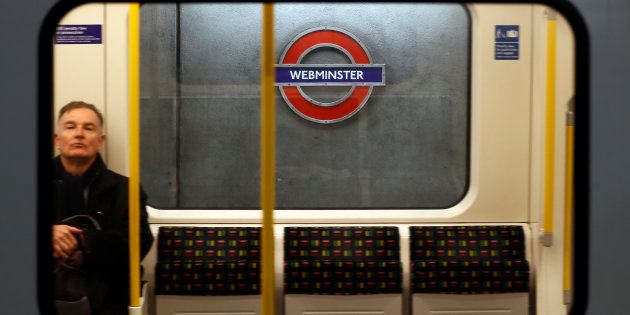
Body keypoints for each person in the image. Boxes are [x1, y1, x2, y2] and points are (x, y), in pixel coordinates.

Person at [52, 101, 153, 315]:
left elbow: (138, 246)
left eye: (88, 128)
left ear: (100, 141)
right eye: (70, 127)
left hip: (107, 296)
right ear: (57, 140)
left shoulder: (126, 190)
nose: (79, 134)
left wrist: (83, 240)